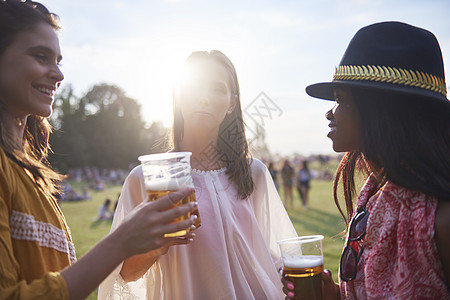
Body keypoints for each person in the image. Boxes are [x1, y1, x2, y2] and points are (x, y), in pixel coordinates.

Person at [0, 1, 198, 299]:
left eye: (59, 61)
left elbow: (53, 275)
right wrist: (119, 241)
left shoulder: (28, 172)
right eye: (41, 56)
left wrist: (145, 243)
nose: (58, 74)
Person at [98, 50, 297, 299]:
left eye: (217, 89)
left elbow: (279, 256)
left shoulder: (253, 173)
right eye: (194, 87)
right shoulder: (146, 179)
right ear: (178, 97)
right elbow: (124, 275)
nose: (203, 98)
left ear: (231, 104)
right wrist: (156, 246)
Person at [285, 21, 450, 299]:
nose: (329, 112)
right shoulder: (375, 194)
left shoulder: (440, 217)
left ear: (381, 108)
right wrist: (334, 295)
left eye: (339, 98)